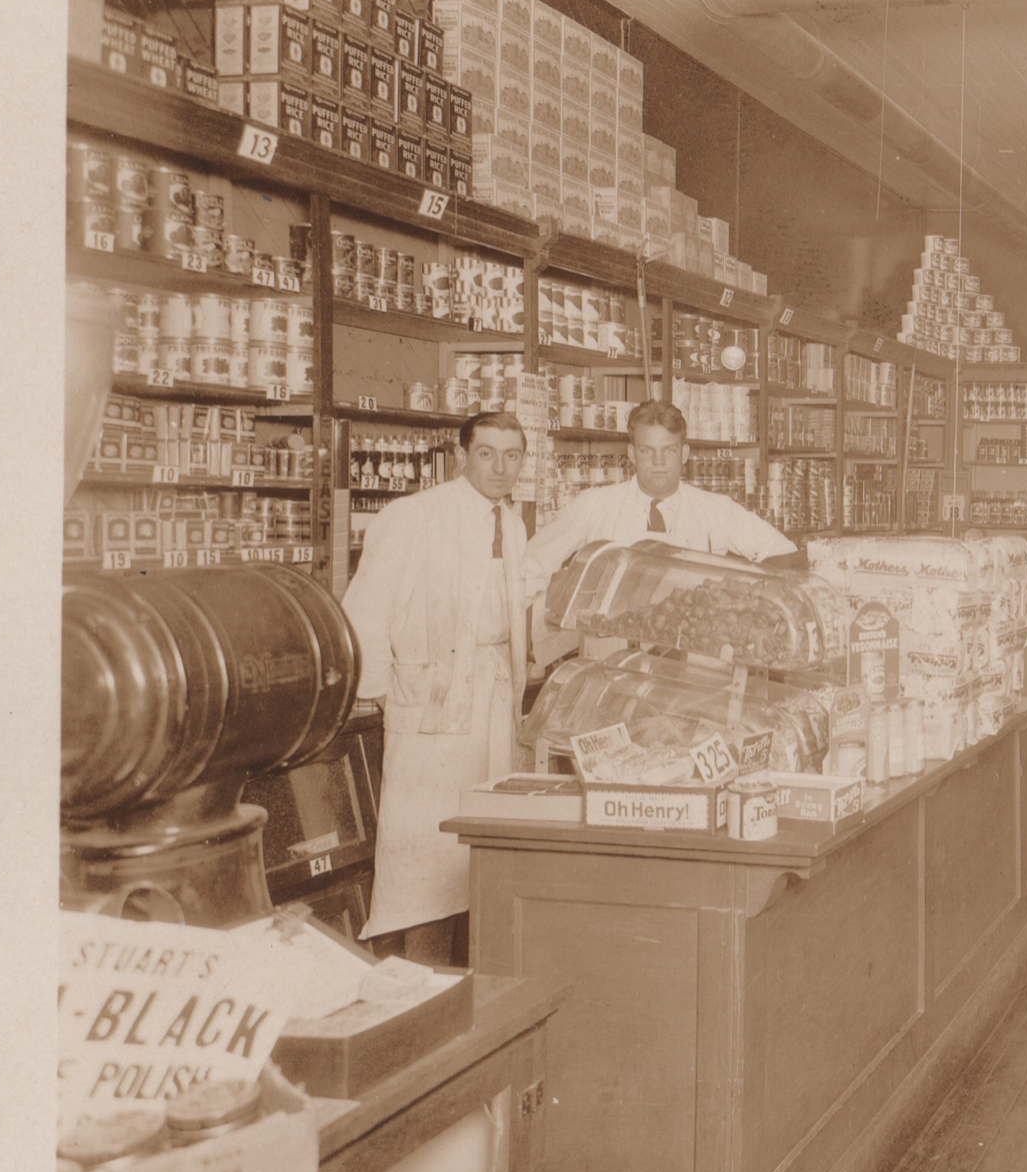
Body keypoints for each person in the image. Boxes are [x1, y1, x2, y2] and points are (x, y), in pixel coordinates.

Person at [340, 411, 532, 960]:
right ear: (461, 456)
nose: (500, 467)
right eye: (487, 453)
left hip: (492, 698)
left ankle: (469, 970)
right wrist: (377, 691)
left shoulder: (512, 523)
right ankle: (414, 975)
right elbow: (366, 613)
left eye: (512, 455)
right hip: (430, 706)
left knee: (481, 842)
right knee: (424, 856)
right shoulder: (414, 516)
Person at [522, 396, 796, 594]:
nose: (658, 461)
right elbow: (531, 568)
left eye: (669, 450)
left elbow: (782, 552)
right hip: (612, 653)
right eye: (647, 450)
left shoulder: (716, 509)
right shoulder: (593, 506)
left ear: (684, 454)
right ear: (631, 454)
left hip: (693, 652)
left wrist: (739, 594)